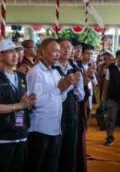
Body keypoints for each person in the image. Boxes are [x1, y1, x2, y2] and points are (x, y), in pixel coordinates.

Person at [0, 39, 36, 172]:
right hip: (2, 136)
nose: (15, 55)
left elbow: (25, 102)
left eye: (16, 52)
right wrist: (20, 105)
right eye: (9, 52)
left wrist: (29, 102)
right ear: (0, 56)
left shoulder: (21, 77)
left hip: (21, 133)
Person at [26, 38, 75, 172]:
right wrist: (59, 88)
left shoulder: (54, 71)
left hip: (54, 127)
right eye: (54, 51)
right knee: (37, 166)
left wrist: (66, 86)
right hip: (40, 128)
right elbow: (35, 101)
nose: (57, 54)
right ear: (41, 52)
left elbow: (61, 98)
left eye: (59, 51)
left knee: (51, 166)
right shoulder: (36, 72)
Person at [55, 39, 84, 172]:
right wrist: (69, 84)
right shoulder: (52, 68)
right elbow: (54, 94)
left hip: (71, 113)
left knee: (69, 148)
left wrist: (77, 86)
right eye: (63, 47)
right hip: (55, 115)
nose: (66, 50)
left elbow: (80, 96)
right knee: (55, 149)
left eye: (69, 47)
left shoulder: (76, 69)